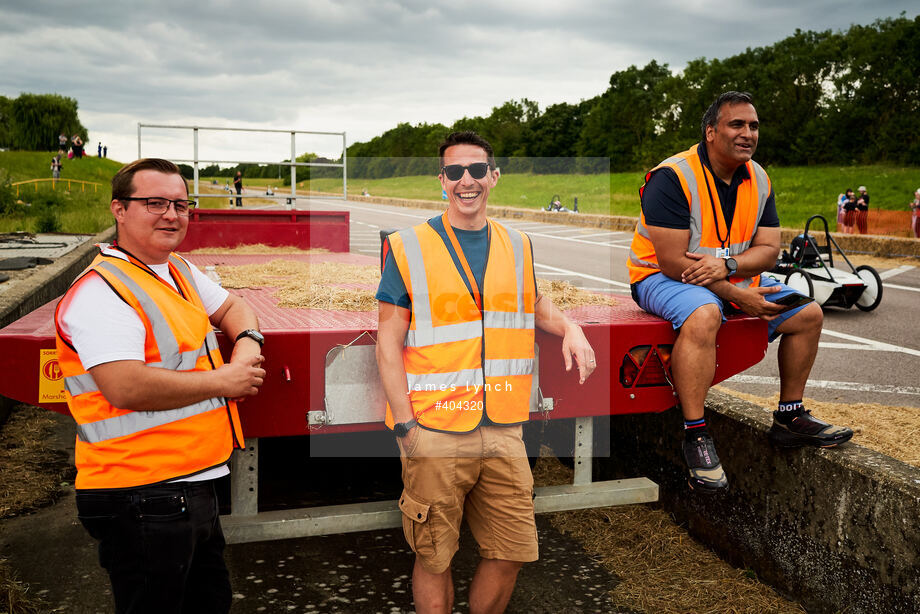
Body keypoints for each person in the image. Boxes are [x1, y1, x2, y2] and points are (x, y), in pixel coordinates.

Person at [376, 131, 596, 613]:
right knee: (434, 557)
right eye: (455, 172)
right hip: (434, 429)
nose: (466, 181)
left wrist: (570, 327)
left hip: (503, 428)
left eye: (477, 170)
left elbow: (533, 301)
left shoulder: (517, 244)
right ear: (442, 181)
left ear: (493, 177)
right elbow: (388, 343)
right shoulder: (408, 246)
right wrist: (406, 427)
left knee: (512, 551)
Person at [54, 158, 267, 613]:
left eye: (180, 205)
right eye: (154, 203)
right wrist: (226, 380)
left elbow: (237, 308)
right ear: (119, 209)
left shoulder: (176, 272)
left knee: (209, 603)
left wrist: (246, 346)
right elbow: (124, 386)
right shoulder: (104, 290)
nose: (171, 215)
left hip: (189, 483)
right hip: (143, 493)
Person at [627, 91, 853, 494]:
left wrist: (731, 269)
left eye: (753, 126)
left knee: (808, 315)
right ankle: (696, 435)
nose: (748, 134)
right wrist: (737, 296)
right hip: (660, 278)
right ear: (711, 132)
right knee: (705, 314)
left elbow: (768, 250)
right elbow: (672, 262)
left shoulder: (759, 177)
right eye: (737, 125)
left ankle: (789, 417)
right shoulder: (672, 177)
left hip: (729, 277)